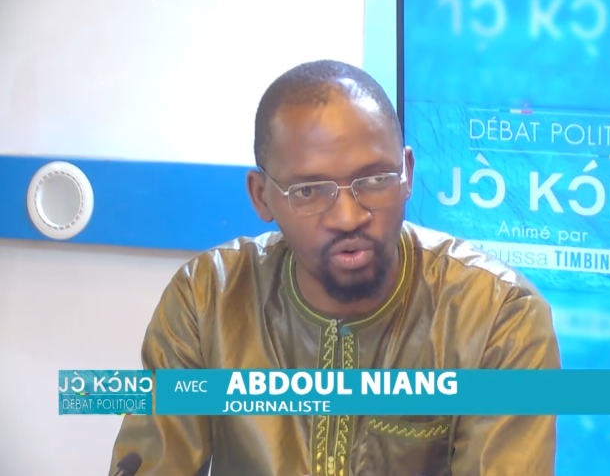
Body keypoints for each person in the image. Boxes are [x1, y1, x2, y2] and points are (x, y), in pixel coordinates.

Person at [107, 59, 560, 476]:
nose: (348, 217)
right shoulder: (207, 298)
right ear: (261, 196)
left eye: (375, 179)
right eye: (308, 190)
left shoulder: (498, 316)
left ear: (407, 173)